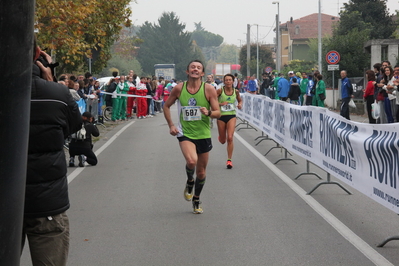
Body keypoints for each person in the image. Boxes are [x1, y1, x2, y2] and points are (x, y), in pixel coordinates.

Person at [24, 39, 82, 265]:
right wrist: (52, 81)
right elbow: (74, 125)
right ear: (39, 53)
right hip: (46, 202)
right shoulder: (57, 93)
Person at [163, 60, 221, 214]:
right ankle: (190, 181)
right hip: (185, 132)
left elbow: (218, 113)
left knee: (201, 172)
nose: (195, 69)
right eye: (192, 67)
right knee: (191, 161)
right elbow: (166, 106)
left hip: (203, 133)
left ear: (202, 73)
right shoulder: (179, 89)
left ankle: (196, 198)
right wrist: (171, 125)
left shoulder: (209, 89)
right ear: (187, 71)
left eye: (199, 68)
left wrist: (208, 112)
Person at [216, 74, 242, 169]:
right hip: (221, 116)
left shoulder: (236, 91)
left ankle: (229, 160)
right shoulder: (219, 91)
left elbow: (240, 100)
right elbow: (212, 101)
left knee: (230, 138)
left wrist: (239, 104)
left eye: (230, 80)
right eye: (226, 80)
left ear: (233, 81)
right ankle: (221, 137)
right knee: (223, 141)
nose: (228, 81)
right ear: (224, 81)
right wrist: (221, 103)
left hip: (231, 116)